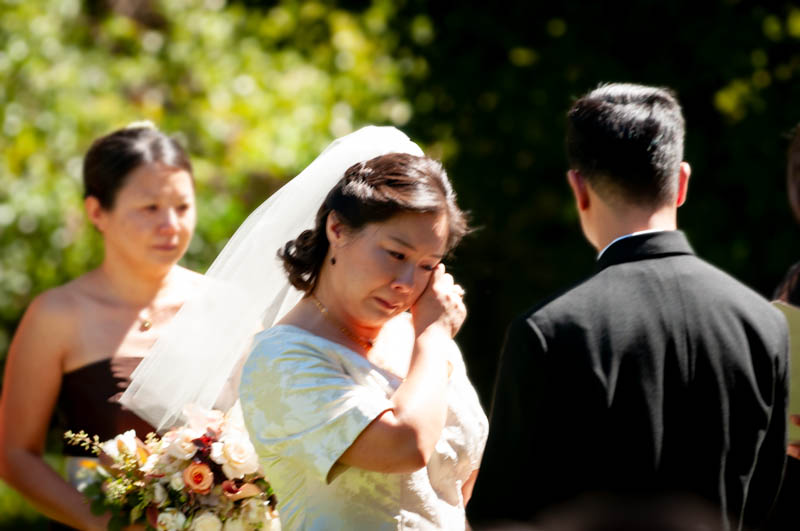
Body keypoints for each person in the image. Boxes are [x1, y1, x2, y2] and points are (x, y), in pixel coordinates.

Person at [468, 83, 789, 531]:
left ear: (579, 189)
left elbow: (501, 517)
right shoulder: (765, 325)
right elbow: (765, 499)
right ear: (681, 183)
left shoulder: (549, 332)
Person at [236, 144, 488, 528]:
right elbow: (405, 445)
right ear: (337, 229)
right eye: (395, 254)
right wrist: (435, 333)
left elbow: (459, 490)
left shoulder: (421, 339)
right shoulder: (282, 359)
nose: (407, 283)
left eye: (426, 265)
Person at [0, 123, 201, 530]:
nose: (171, 225)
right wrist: (107, 523)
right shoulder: (57, 314)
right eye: (149, 207)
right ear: (97, 212)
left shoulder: (226, 306)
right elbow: (14, 454)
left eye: (182, 206)